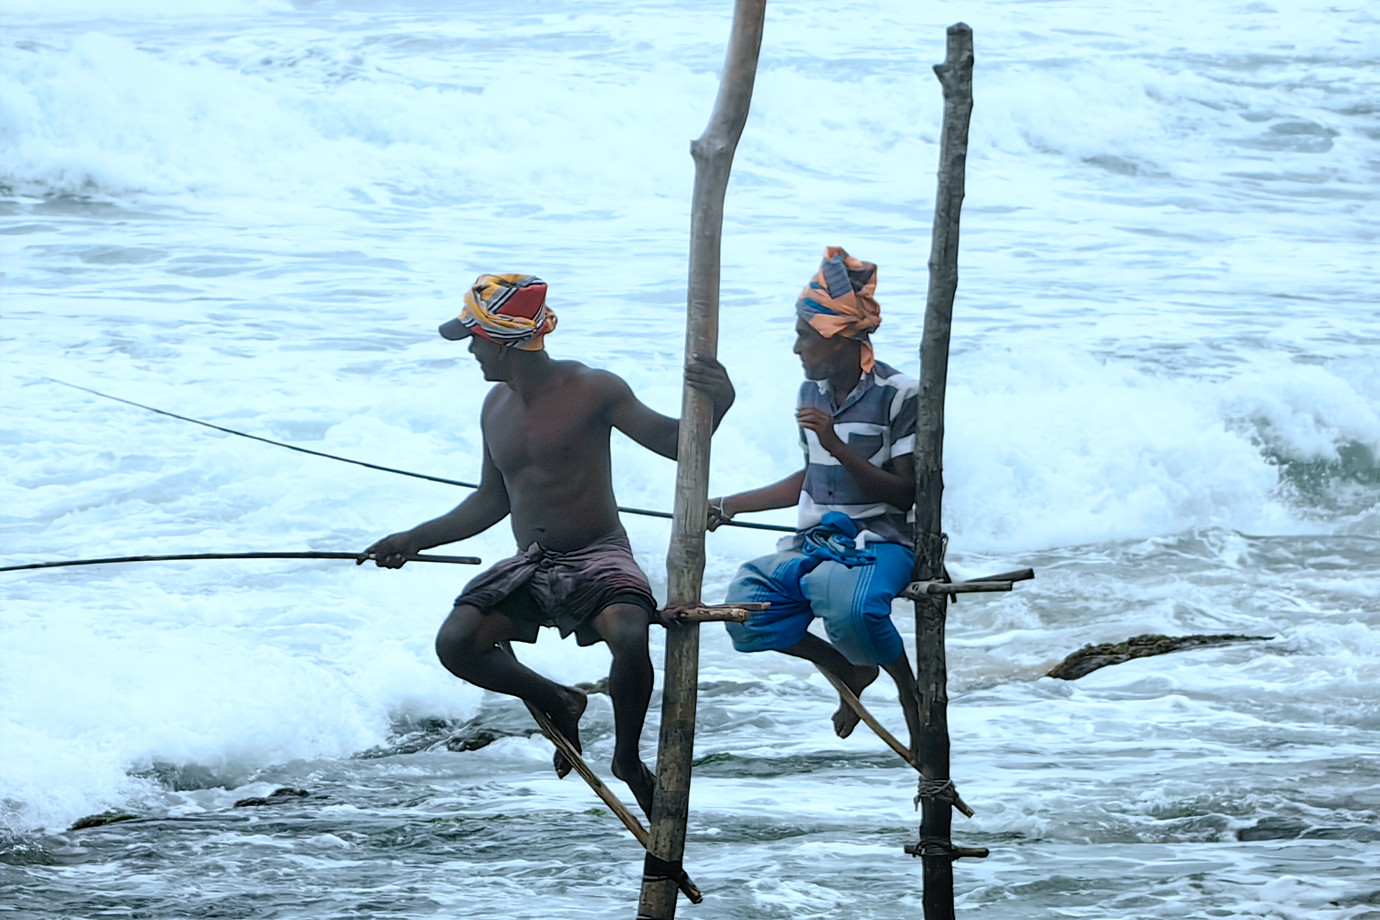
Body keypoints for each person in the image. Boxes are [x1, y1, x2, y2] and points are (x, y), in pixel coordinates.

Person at [363, 272, 734, 817]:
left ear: (507, 340)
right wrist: (411, 539)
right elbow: (490, 501)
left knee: (629, 634)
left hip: (599, 555)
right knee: (457, 643)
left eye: (475, 338)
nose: (471, 351)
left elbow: (677, 444)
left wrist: (719, 405)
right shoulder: (495, 406)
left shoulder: (594, 388)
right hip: (532, 564)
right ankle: (557, 698)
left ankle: (628, 759)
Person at [707, 247, 923, 757]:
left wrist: (837, 445)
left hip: (881, 540)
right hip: (819, 540)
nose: (797, 348)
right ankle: (847, 669)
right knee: (748, 604)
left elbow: (904, 491)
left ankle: (912, 697)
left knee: (851, 604)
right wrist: (729, 505)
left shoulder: (900, 394)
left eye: (805, 335)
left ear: (838, 337)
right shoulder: (812, 391)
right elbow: (813, 477)